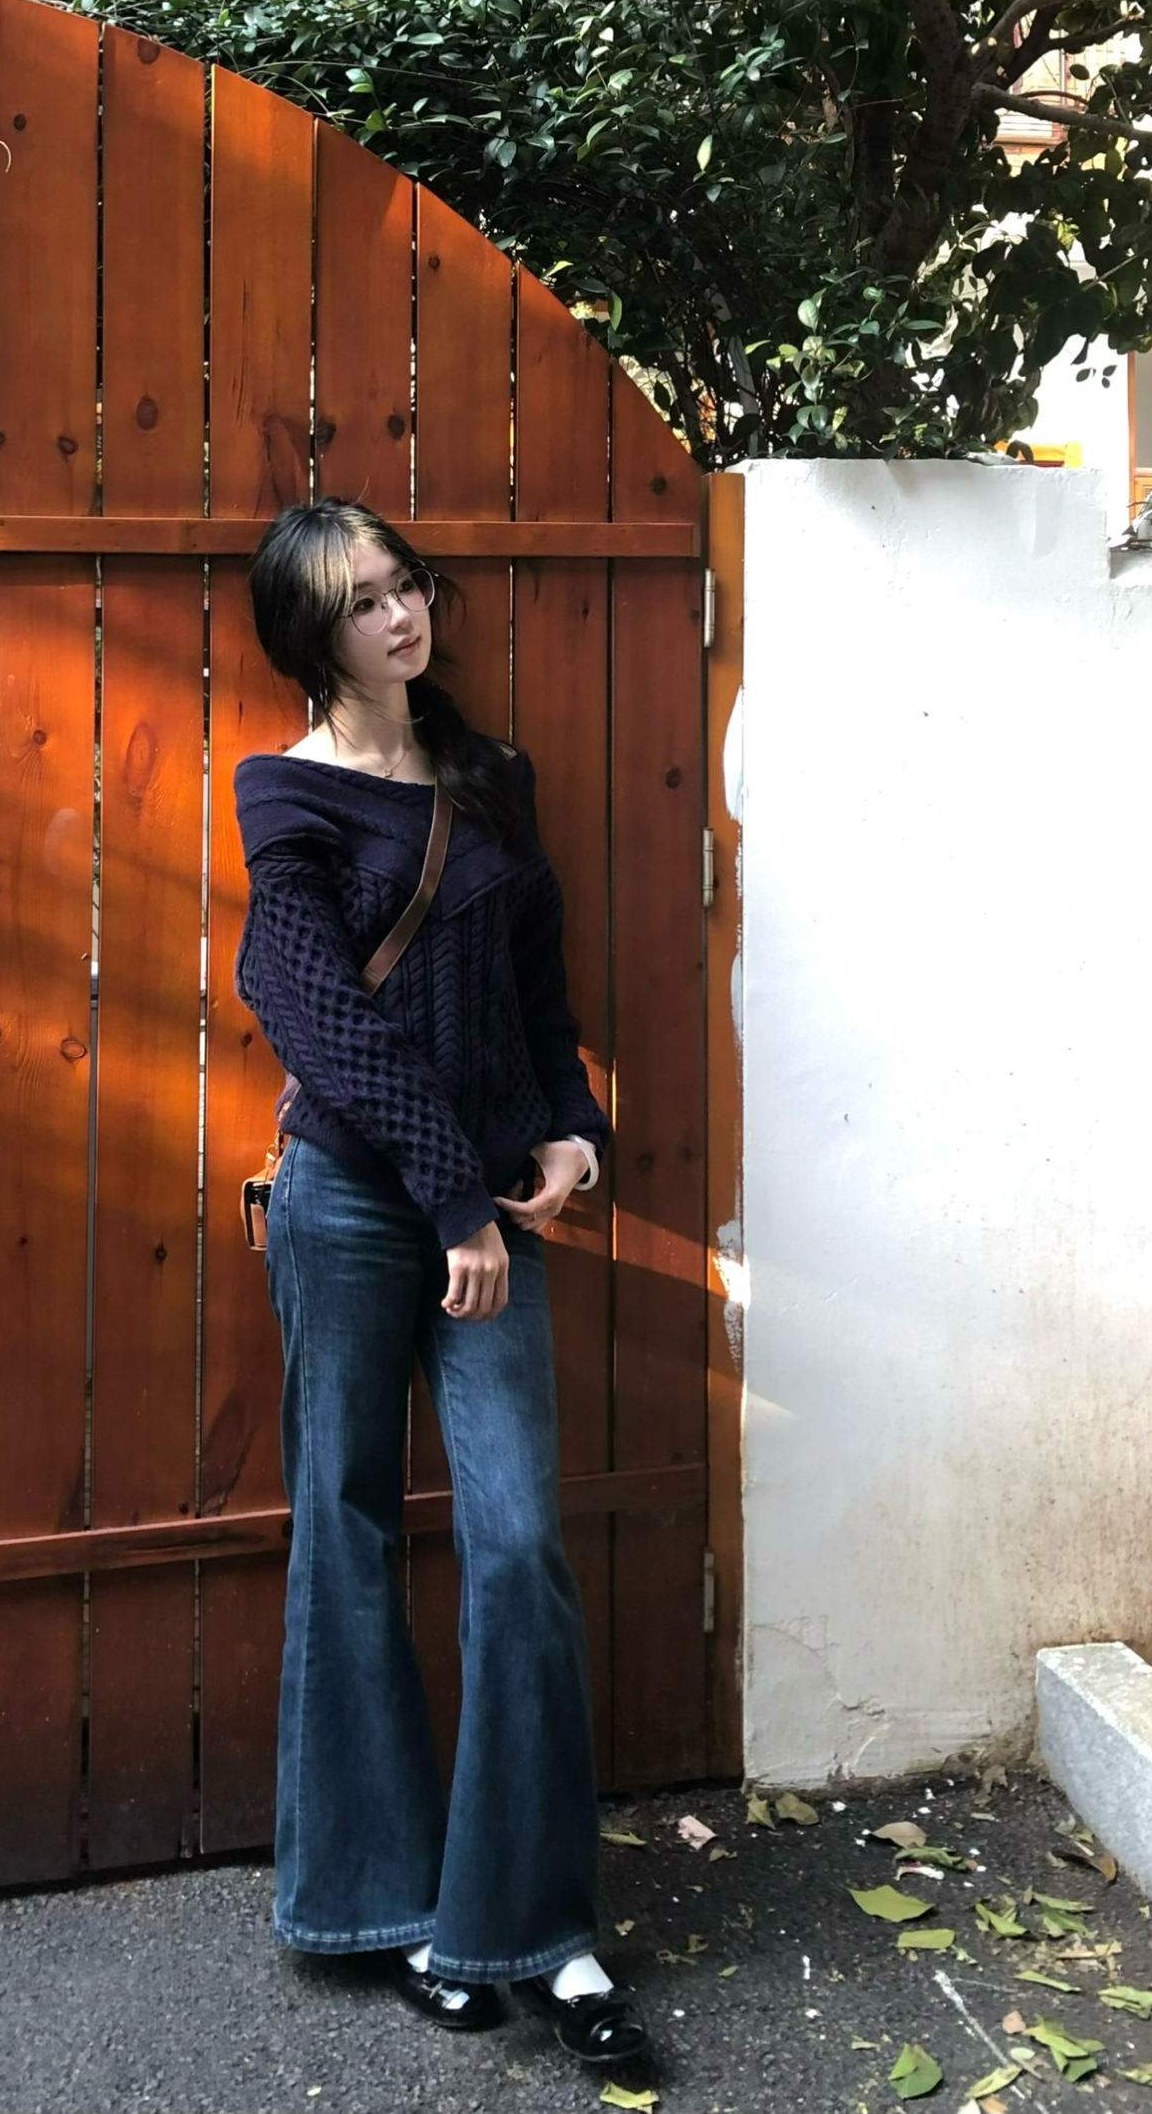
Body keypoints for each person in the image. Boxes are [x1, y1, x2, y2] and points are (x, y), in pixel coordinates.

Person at [232, 497, 648, 2069]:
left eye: (405, 585)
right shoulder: (283, 792)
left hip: (486, 1205)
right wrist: (457, 1201)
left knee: (519, 1543)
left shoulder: (491, 777)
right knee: (344, 1522)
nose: (401, 616)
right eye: (362, 602)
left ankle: (531, 1924)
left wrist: (574, 1132)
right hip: (352, 1201)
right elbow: (318, 1016)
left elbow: (539, 993)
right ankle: (374, 1902)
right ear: (310, 635)